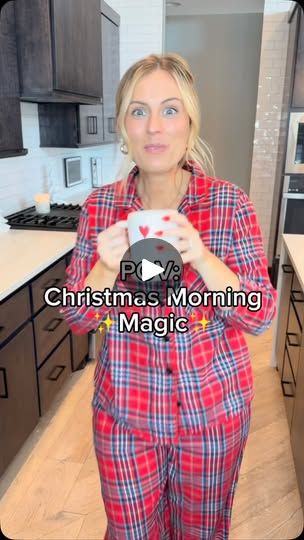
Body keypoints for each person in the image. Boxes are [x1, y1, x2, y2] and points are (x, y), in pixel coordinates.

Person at [60, 53, 277, 539]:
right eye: (139, 111)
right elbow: (77, 318)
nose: (154, 127)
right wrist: (104, 266)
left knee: (201, 532)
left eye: (170, 110)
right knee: (130, 533)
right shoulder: (100, 208)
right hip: (126, 416)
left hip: (212, 417)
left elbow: (260, 316)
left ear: (190, 121)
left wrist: (201, 255)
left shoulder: (228, 204)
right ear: (123, 126)